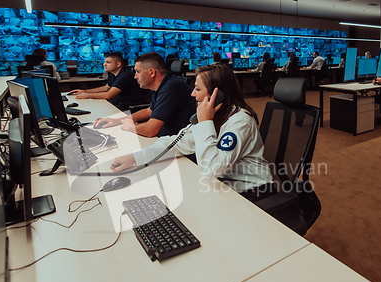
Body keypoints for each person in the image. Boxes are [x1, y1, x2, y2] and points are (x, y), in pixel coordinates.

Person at [109, 63, 274, 202]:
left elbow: (212, 169)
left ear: (218, 95)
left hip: (251, 188)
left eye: (197, 89)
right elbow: (177, 143)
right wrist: (135, 157)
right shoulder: (213, 116)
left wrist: (205, 123)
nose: (192, 94)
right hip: (223, 182)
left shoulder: (240, 122)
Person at [94, 52, 195, 137]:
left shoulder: (171, 87)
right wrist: (117, 121)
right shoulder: (164, 84)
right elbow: (149, 112)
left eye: (138, 72)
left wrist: (130, 127)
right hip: (163, 138)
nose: (135, 77)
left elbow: (151, 130)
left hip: (173, 143)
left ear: (151, 72)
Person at [69, 52, 147, 107]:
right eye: (105, 62)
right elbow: (106, 88)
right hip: (117, 103)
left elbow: (108, 95)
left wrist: (87, 95)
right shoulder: (114, 74)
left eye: (108, 62)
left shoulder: (125, 75)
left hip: (125, 106)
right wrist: (85, 91)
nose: (104, 64)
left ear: (118, 64)